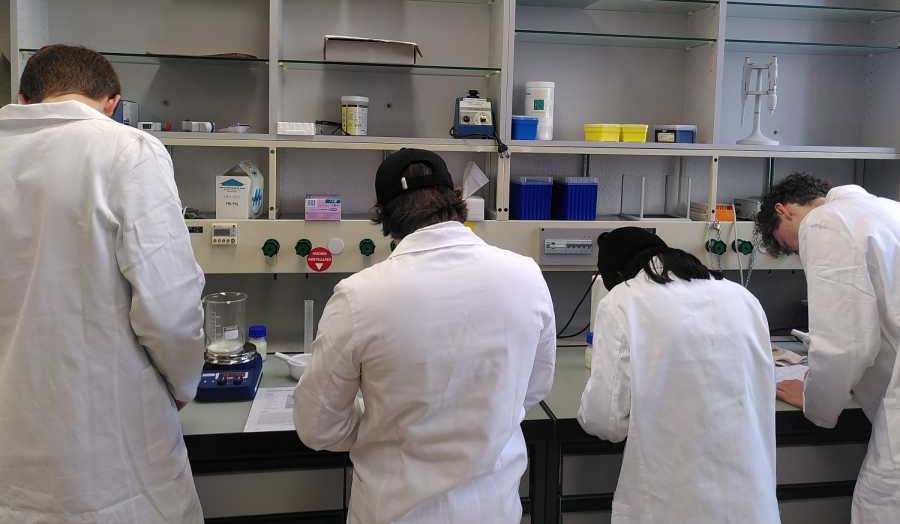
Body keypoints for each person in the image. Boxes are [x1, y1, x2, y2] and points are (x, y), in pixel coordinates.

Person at [0, 45, 206, 524]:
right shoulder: (125, 150)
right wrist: (183, 382)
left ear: (24, 100)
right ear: (113, 103)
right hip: (107, 461)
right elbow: (168, 305)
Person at [294, 148, 556, 524]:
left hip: (396, 512)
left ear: (384, 217)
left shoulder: (360, 296)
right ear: (456, 201)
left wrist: (383, 421)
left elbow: (318, 427)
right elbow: (533, 388)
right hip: (494, 511)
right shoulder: (526, 275)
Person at [578, 227, 780, 524]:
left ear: (618, 273)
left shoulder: (624, 300)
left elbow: (605, 421)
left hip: (671, 504)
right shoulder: (742, 296)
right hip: (751, 503)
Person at [757, 172, 900, 523]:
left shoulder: (823, 223)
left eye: (786, 243)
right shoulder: (888, 210)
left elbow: (845, 346)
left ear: (784, 211)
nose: (795, 250)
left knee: (881, 505)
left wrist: (815, 402)